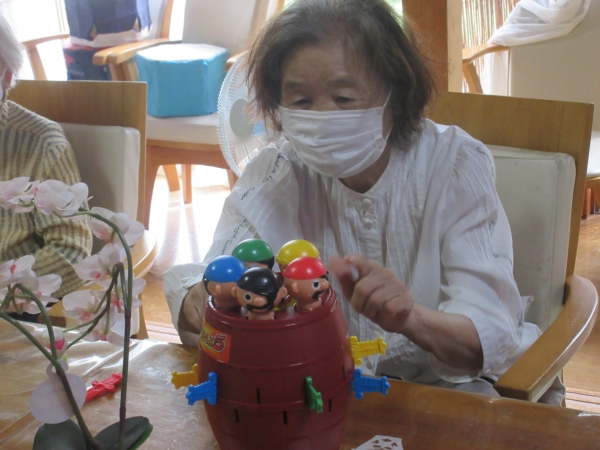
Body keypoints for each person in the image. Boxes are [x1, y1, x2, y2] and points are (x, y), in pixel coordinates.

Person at [165, 0, 559, 402]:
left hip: (448, 393)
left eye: (343, 98)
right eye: (301, 102)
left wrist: (410, 318)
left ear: (395, 96)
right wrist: (203, 296)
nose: (322, 118)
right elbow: (215, 272)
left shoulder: (454, 165)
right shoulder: (278, 169)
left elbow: (486, 337)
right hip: (324, 390)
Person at [0, 14, 92, 312]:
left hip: (13, 313)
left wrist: (5, 288)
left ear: (6, 74)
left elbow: (71, 253)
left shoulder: (42, 145)